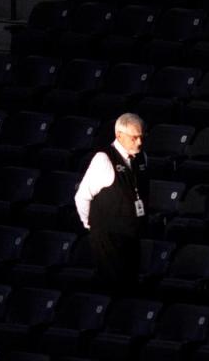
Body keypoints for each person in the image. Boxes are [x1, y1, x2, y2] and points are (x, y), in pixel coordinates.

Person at [74, 112, 148, 293]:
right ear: (119, 136)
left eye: (141, 137)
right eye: (134, 138)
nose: (139, 142)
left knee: (131, 283)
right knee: (114, 285)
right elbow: (82, 196)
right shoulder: (104, 159)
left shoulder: (142, 157)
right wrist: (90, 224)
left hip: (131, 232)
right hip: (108, 235)